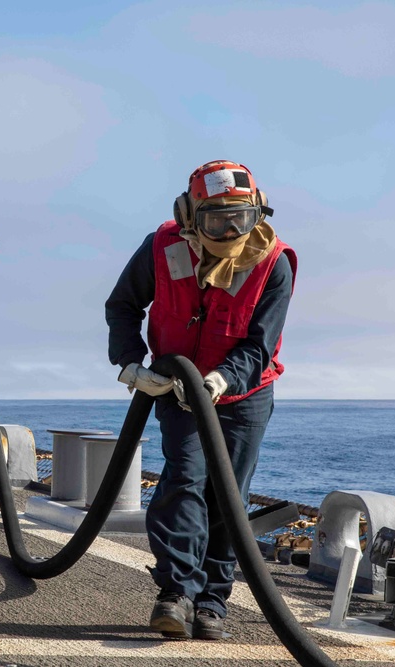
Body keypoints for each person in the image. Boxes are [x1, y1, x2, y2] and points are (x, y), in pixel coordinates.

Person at [105, 160, 296, 640]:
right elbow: (123, 305)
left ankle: (211, 604)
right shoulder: (162, 246)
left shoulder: (274, 262)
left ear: (257, 213)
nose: (229, 230)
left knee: (227, 497)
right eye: (216, 220)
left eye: (240, 218)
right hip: (178, 388)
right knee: (182, 481)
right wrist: (131, 362)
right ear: (191, 216)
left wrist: (222, 379)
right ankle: (177, 594)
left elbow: (259, 343)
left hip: (243, 394)